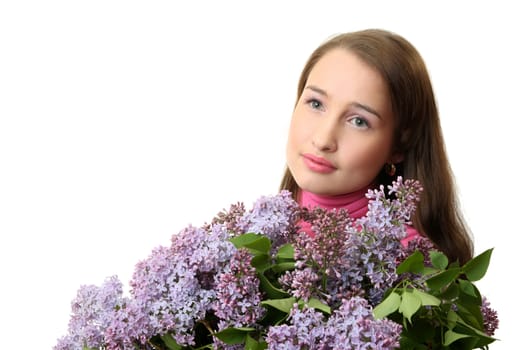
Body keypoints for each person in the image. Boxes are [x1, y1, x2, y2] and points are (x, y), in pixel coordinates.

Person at [280, 29, 473, 265]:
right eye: (316, 103)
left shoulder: (410, 269)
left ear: (398, 146)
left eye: (359, 121)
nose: (323, 140)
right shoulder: (253, 239)